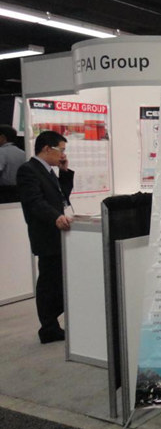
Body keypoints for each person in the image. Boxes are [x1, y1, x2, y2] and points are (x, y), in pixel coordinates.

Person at [16, 131, 75, 344]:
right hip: (45, 233)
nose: (63, 154)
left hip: (57, 232)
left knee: (57, 279)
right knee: (48, 282)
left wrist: (64, 172)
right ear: (47, 149)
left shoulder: (48, 171)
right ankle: (48, 328)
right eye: (61, 150)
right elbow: (34, 202)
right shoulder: (28, 170)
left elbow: (62, 196)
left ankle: (52, 323)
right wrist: (55, 217)